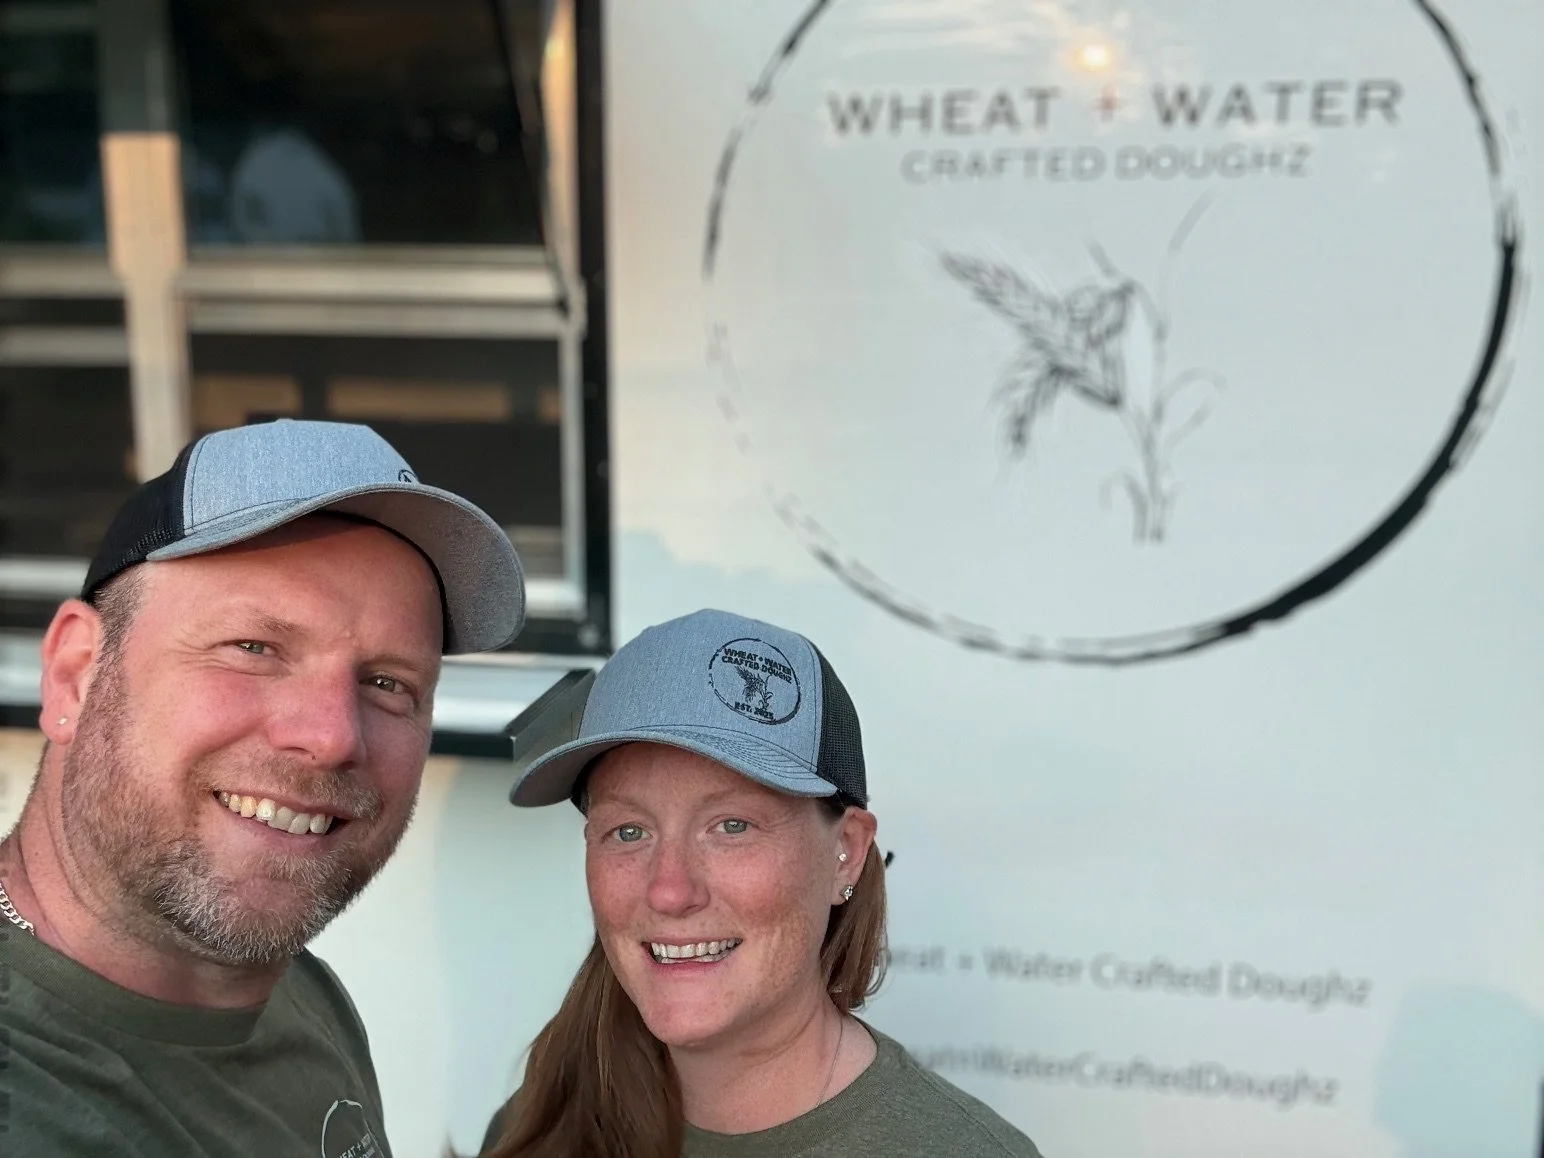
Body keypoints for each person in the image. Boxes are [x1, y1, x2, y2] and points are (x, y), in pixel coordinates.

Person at [0, 418, 525, 1157]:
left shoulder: (295, 995)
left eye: (386, 683)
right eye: (253, 648)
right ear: (76, 673)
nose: (333, 735)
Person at [480, 609, 1044, 1157]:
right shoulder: (539, 1125)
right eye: (629, 831)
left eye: (732, 826)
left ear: (846, 853)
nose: (670, 891)